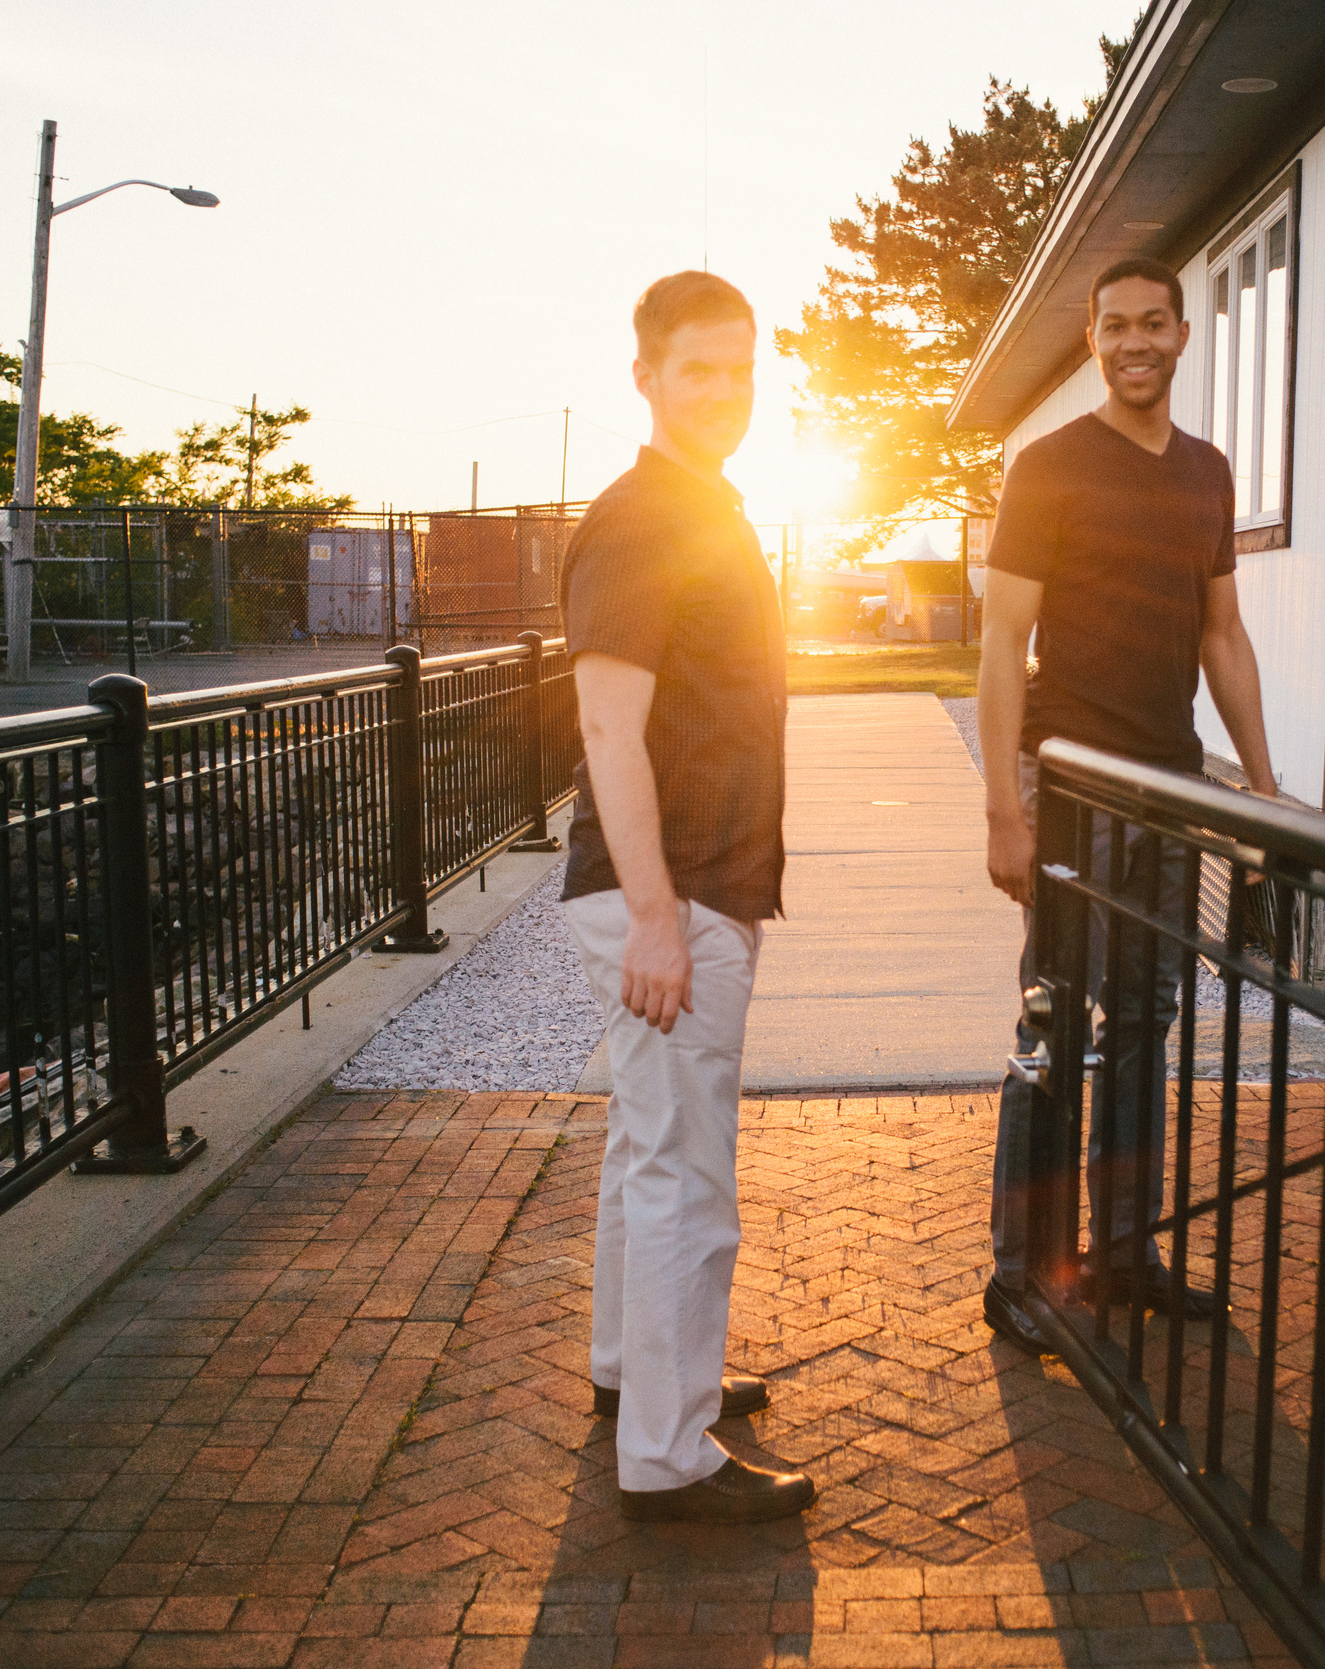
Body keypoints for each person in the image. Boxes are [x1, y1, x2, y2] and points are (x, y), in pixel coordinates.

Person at [977, 256, 1281, 1352]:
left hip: (1169, 789)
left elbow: (1221, 636)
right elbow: (1002, 643)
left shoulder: (1206, 472)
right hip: (1069, 786)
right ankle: (1019, 1275)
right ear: (1093, 339)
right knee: (1055, 1022)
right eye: (1115, 326)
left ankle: (1121, 1255)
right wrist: (1003, 808)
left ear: (1183, 334)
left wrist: (1261, 786)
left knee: (1150, 1021)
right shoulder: (1048, 467)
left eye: (1154, 322)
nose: (1135, 341)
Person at [561, 270, 814, 1524]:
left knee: (641, 1151)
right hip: (673, 888)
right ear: (647, 377)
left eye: (740, 368)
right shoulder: (646, 517)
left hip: (696, 882)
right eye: (696, 369)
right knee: (684, 1175)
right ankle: (668, 1450)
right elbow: (608, 725)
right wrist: (658, 914)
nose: (722, 391)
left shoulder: (702, 506)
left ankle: (633, 1379)